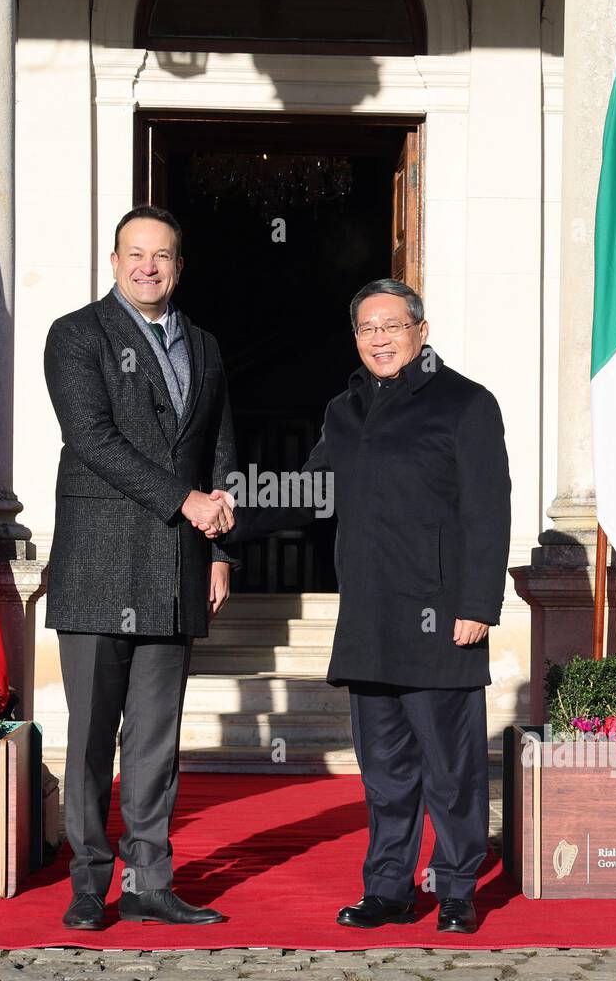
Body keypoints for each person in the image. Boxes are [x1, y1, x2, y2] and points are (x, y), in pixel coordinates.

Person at [226, 278, 511, 934]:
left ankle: (460, 889)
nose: (379, 338)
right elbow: (310, 490)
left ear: (421, 329)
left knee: (452, 770)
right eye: (367, 329)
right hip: (370, 618)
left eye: (392, 325)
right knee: (385, 773)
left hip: (444, 619)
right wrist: (228, 517)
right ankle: (387, 890)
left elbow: (488, 512)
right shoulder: (343, 411)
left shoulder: (465, 404)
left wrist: (478, 604)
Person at [43, 205, 237, 929]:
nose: (148, 266)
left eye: (162, 255)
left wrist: (219, 548)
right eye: (135, 254)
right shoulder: (76, 335)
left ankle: (149, 881)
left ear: (179, 267)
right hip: (97, 565)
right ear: (115, 261)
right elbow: (91, 438)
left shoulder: (207, 346)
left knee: (155, 740)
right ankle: (90, 885)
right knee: (93, 737)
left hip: (178, 568)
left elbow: (220, 445)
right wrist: (186, 501)